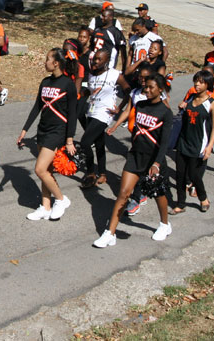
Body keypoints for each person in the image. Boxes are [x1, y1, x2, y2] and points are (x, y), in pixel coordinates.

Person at [92, 73, 174, 247]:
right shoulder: (140, 105)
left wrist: (157, 164)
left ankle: (164, 224)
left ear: (161, 90)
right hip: (135, 156)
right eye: (146, 87)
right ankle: (110, 233)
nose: (147, 90)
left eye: (152, 87)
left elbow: (164, 142)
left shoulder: (166, 113)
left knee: (159, 194)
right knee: (123, 194)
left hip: (153, 160)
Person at [17, 48, 78, 221]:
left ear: (56, 63)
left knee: (39, 169)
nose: (45, 62)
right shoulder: (44, 82)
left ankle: (61, 199)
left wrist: (70, 139)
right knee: (47, 171)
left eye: (47, 59)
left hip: (57, 131)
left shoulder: (68, 84)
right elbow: (37, 107)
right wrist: (24, 130)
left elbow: (72, 113)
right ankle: (45, 206)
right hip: (42, 129)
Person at [78, 48, 130, 189]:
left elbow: (128, 91)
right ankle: (102, 173)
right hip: (92, 110)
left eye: (99, 59)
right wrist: (83, 93)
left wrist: (119, 108)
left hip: (105, 113)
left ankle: (90, 173)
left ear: (107, 61)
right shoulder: (91, 74)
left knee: (85, 142)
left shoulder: (114, 75)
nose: (96, 61)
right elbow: (89, 90)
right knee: (99, 143)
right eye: (95, 58)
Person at [171, 70, 214, 214]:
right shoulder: (191, 98)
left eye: (201, 82)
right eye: (196, 81)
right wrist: (182, 106)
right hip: (183, 141)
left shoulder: (212, 104)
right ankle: (180, 203)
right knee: (180, 175)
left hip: (198, 144)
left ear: (208, 84)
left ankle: (203, 198)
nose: (197, 84)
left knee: (194, 174)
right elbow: (183, 112)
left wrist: (209, 146)